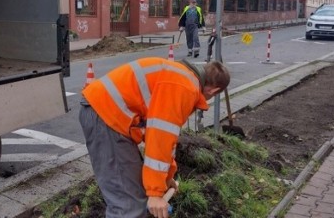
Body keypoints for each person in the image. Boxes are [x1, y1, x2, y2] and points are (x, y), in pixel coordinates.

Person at [79, 57, 230, 218]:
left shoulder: (181, 77)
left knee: (133, 195)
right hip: (106, 117)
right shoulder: (185, 87)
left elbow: (166, 140)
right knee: (128, 206)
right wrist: (156, 193)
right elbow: (159, 138)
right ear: (213, 91)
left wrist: (167, 177)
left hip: (109, 115)